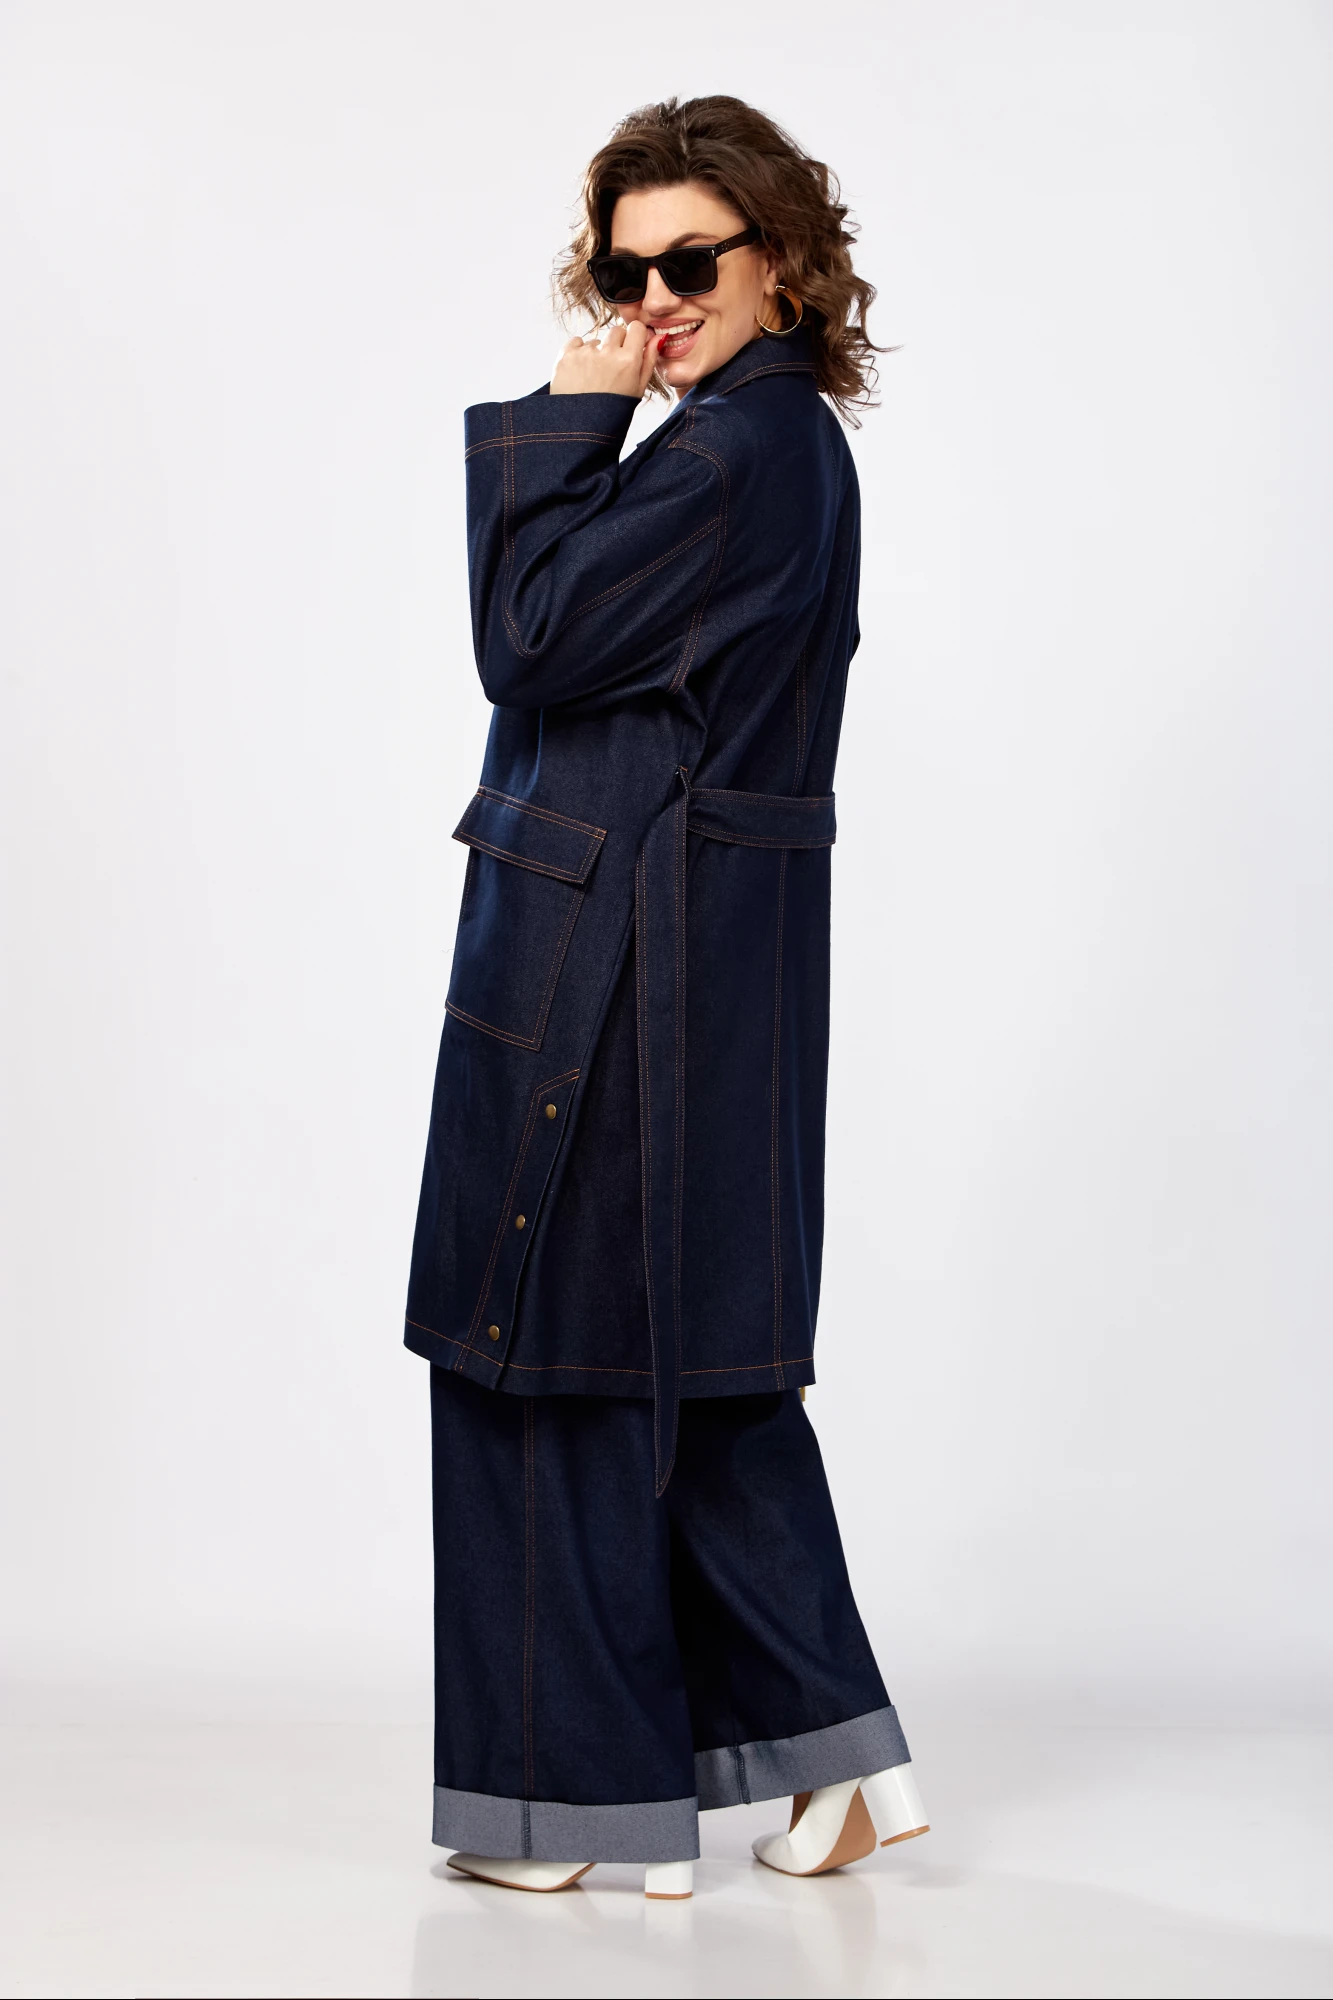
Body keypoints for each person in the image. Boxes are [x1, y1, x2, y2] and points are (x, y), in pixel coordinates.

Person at [404, 93, 928, 1900]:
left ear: (782, 260)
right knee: (685, 1368)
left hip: (623, 956)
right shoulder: (770, 448)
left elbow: (530, 636)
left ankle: (567, 1811)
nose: (653, 305)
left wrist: (569, 416)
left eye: (690, 262)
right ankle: (826, 1762)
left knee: (532, 1350)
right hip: (678, 948)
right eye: (622, 276)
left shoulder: (722, 457)